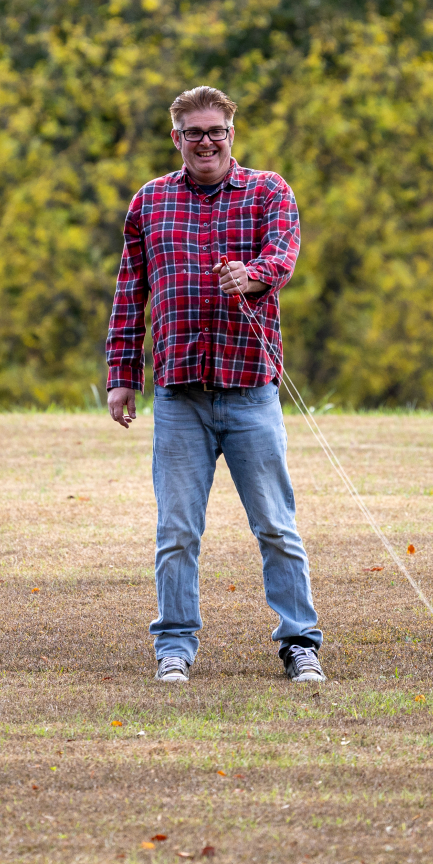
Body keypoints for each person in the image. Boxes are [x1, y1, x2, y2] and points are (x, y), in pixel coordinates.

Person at [106, 85, 324, 685]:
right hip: (179, 395)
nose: (207, 142)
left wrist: (251, 276)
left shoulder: (268, 191)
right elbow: (130, 294)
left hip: (250, 389)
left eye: (216, 131)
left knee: (276, 526)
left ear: (232, 134)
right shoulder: (149, 202)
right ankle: (174, 646)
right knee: (177, 531)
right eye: (194, 133)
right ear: (176, 137)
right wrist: (122, 376)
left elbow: (283, 256)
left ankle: (300, 643)